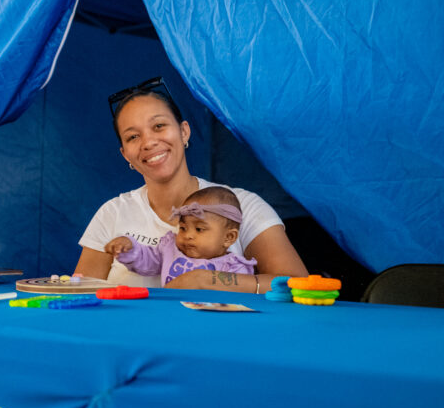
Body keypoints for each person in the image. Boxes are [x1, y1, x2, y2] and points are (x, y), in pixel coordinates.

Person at [76, 77, 306, 292]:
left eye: (158, 126)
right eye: (133, 137)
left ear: (184, 132)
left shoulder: (242, 206)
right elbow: (77, 293)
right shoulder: (112, 213)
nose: (148, 142)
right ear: (126, 155)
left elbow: (297, 283)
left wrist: (204, 279)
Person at [104, 185, 258, 287]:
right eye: (183, 228)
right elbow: (147, 261)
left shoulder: (235, 268)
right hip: (171, 315)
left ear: (228, 238)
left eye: (199, 229)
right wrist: (129, 247)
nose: (188, 235)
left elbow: (240, 297)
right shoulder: (170, 249)